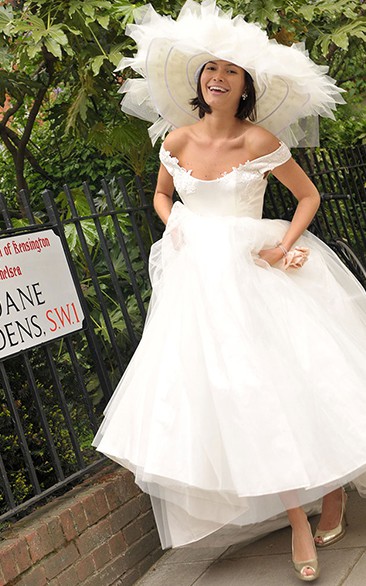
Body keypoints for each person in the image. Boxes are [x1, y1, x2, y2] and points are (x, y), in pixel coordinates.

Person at [93, 1, 366, 582]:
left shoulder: (259, 140)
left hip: (257, 270)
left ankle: (333, 493)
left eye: (232, 72)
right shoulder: (176, 137)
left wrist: (283, 244)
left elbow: (309, 197)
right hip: (200, 280)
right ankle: (299, 516)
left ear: (244, 88)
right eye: (211, 67)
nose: (218, 77)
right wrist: (177, 227)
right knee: (244, 394)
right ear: (199, 80)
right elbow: (163, 197)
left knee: (300, 381)